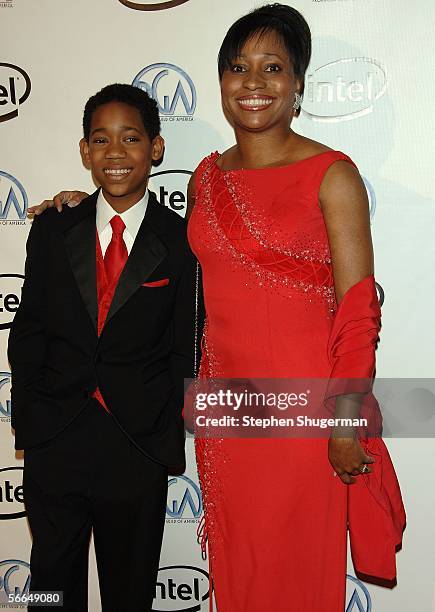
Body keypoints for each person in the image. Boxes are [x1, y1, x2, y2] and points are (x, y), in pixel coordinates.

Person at [29, 5, 405, 611]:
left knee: (297, 566)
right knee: (238, 564)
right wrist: (81, 208)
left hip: (302, 416)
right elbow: (153, 248)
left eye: (272, 67)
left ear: (299, 84)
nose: (253, 82)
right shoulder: (207, 177)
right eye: (238, 67)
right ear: (222, 82)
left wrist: (345, 418)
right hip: (228, 414)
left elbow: (358, 311)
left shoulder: (332, 175)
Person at [8, 83, 198, 612]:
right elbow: (28, 331)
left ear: (156, 147)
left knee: (130, 590)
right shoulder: (53, 229)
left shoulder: (183, 241)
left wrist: (163, 428)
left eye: (131, 138)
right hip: (55, 439)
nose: (115, 152)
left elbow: (185, 347)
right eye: (101, 139)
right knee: (49, 583)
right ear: (85, 150)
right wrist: (31, 419)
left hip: (135, 444)